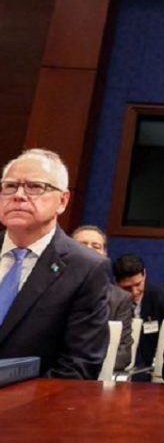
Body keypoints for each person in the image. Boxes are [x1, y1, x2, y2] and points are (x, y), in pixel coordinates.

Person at [0, 149, 109, 379]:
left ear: (62, 201)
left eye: (35, 187)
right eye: (10, 186)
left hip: (28, 399)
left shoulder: (85, 268)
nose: (18, 195)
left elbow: (78, 366)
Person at [72, 225, 133, 371]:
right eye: (83, 244)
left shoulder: (120, 298)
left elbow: (123, 354)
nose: (89, 250)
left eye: (96, 246)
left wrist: (87, 366)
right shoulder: (52, 288)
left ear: (105, 254)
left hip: (96, 373)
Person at [113, 254, 164, 375]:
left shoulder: (162, 296)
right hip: (116, 367)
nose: (134, 292)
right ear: (116, 283)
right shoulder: (109, 300)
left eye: (138, 284)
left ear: (145, 274)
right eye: (127, 288)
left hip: (151, 368)